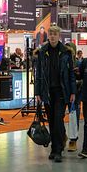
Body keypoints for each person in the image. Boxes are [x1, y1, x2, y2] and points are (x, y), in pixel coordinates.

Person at [34, 25, 76, 163]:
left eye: (55, 34)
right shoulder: (42, 52)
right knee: (51, 120)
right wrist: (38, 92)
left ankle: (58, 149)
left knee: (58, 120)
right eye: (50, 34)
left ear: (59, 36)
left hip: (61, 91)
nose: (52, 36)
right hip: (47, 92)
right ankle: (54, 148)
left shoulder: (66, 52)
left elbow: (71, 74)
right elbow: (38, 73)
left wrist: (73, 91)